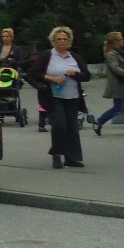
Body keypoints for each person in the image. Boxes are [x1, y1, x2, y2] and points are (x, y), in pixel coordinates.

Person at [27, 26, 90, 169]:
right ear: (53, 41)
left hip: (73, 97)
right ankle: (56, 154)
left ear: (69, 41)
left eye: (65, 39)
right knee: (60, 125)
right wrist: (51, 78)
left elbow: (87, 76)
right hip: (53, 96)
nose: (62, 41)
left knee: (72, 127)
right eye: (59, 39)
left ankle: (71, 158)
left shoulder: (74, 57)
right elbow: (33, 73)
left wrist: (75, 74)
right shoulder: (47, 55)